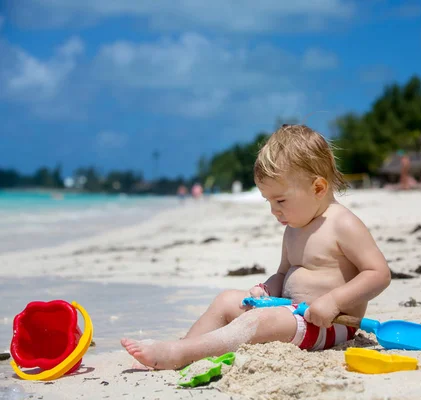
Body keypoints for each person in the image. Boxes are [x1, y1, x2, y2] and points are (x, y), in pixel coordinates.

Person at [121, 124, 392, 370]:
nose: (274, 211)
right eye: (269, 202)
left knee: (258, 323)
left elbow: (378, 274)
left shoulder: (342, 223)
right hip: (290, 311)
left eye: (281, 201)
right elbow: (284, 273)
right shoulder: (294, 229)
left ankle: (180, 353)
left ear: (318, 188)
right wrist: (267, 289)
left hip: (330, 325)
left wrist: (333, 302)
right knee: (227, 299)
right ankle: (187, 345)